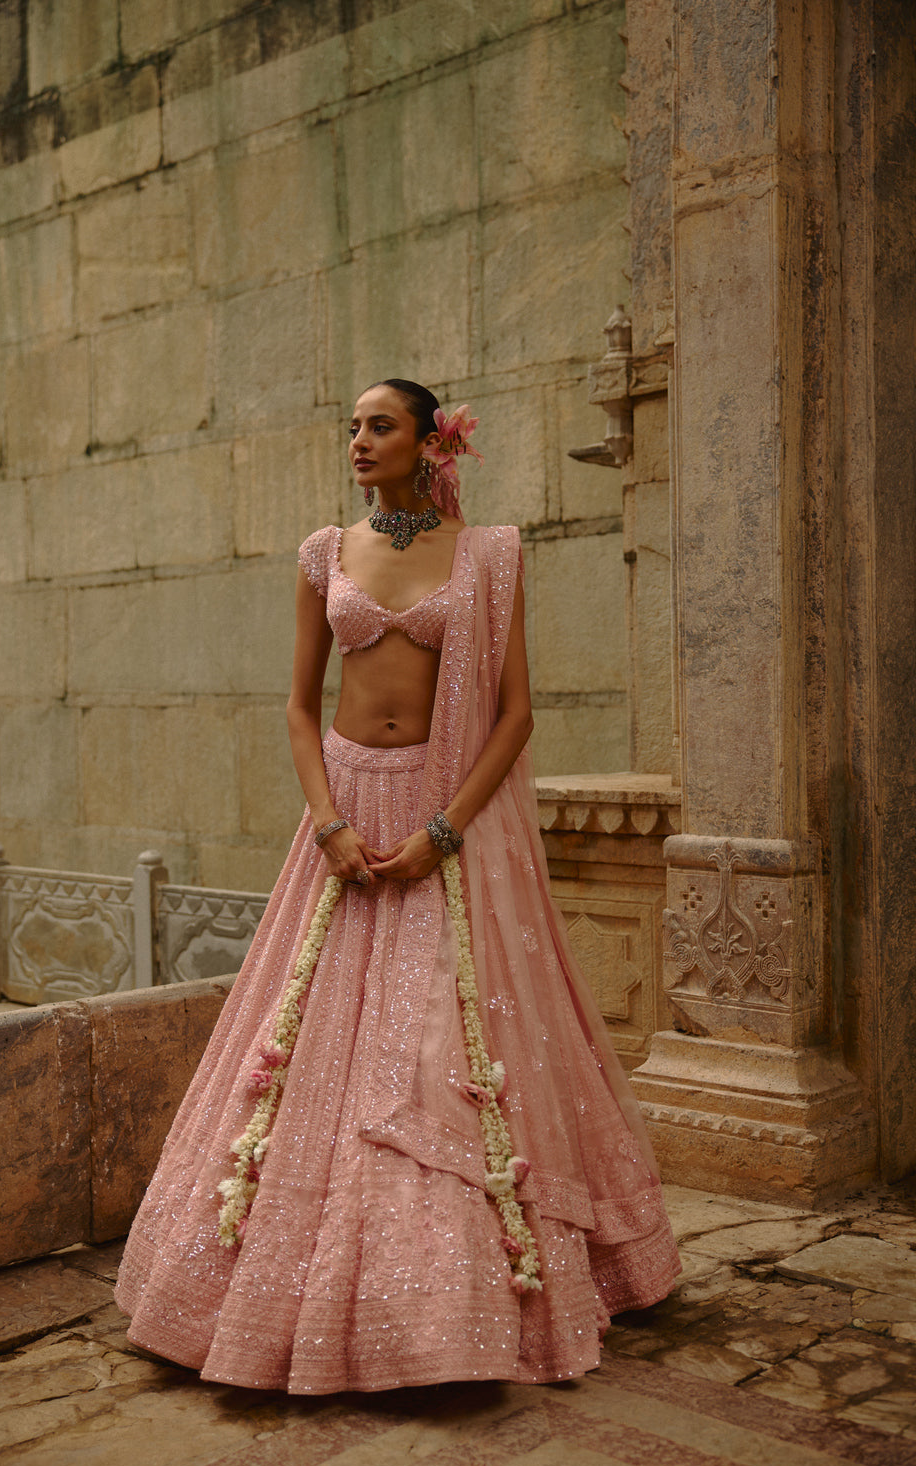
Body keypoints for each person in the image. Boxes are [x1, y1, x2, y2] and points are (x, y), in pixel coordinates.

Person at [115, 378, 680, 1393]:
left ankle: (442, 1310)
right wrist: (328, 821)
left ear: (431, 443)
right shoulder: (324, 553)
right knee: (305, 1051)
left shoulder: (489, 555)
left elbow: (514, 715)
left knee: (441, 1050)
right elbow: (297, 706)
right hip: (343, 822)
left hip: (439, 825)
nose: (357, 441)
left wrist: (443, 832)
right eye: (352, 426)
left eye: (379, 425)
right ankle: (283, 1300)